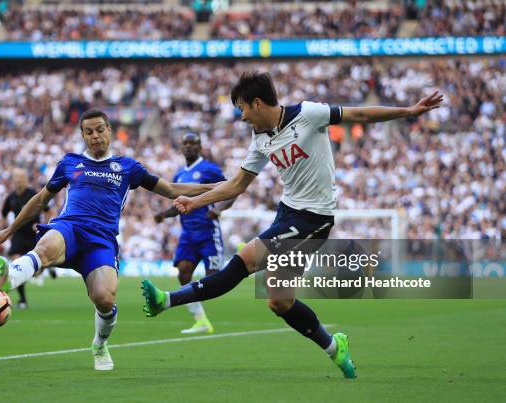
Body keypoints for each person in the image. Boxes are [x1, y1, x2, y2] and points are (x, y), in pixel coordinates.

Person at [141, 71, 443, 378]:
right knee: (279, 301)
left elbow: (359, 113)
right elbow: (236, 185)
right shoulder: (260, 139)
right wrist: (195, 202)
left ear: (257, 103)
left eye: (242, 109)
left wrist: (407, 111)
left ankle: (166, 300)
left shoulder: (308, 114)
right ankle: (334, 348)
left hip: (314, 218)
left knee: (244, 260)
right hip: (287, 213)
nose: (242, 117)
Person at [0, 108, 216, 371]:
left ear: (109, 131)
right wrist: (9, 229)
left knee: (105, 299)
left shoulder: (128, 168)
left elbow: (173, 190)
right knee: (46, 246)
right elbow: (41, 200)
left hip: (102, 240)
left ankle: (99, 344)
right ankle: (6, 283)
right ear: (83, 135)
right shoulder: (70, 163)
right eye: (88, 132)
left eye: (99, 130)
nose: (95, 136)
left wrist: (217, 187)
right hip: (70, 228)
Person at [154, 132, 235, 334]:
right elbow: (178, 205)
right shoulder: (179, 175)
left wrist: (218, 209)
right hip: (188, 235)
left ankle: (241, 262)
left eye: (193, 144)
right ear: (181, 147)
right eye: (185, 144)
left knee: (214, 278)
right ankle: (201, 320)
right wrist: (163, 214)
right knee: (183, 273)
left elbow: (232, 190)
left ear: (199, 147)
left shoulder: (209, 169)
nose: (189, 147)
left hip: (208, 232)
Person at [1, 168, 54, 309]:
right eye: (16, 178)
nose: (18, 180)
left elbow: (49, 211)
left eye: (20, 178)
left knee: (36, 268)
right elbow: (4, 214)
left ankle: (47, 268)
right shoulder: (10, 197)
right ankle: (23, 300)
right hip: (18, 234)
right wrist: (5, 230)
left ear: (25, 180)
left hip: (33, 234)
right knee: (16, 264)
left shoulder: (32, 195)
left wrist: (44, 226)